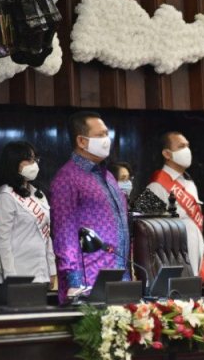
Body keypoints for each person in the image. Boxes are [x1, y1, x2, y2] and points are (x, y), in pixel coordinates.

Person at [50, 111, 130, 304]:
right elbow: (64, 235)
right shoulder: (67, 178)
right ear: (81, 141)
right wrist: (74, 284)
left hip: (119, 278)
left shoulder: (108, 177)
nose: (106, 140)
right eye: (100, 135)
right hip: (89, 285)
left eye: (107, 134)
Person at [0, 141, 56, 286]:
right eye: (28, 159)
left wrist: (52, 270)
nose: (34, 164)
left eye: (35, 159)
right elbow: (1, 241)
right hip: (18, 275)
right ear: (13, 162)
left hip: (41, 273)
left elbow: (47, 235)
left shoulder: (38, 195)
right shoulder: (4, 196)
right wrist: (10, 277)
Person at [146, 131, 204, 284]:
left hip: (196, 257)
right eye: (181, 146)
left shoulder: (189, 183)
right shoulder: (155, 184)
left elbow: (196, 225)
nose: (187, 150)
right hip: (173, 264)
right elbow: (146, 232)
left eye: (187, 146)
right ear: (167, 154)